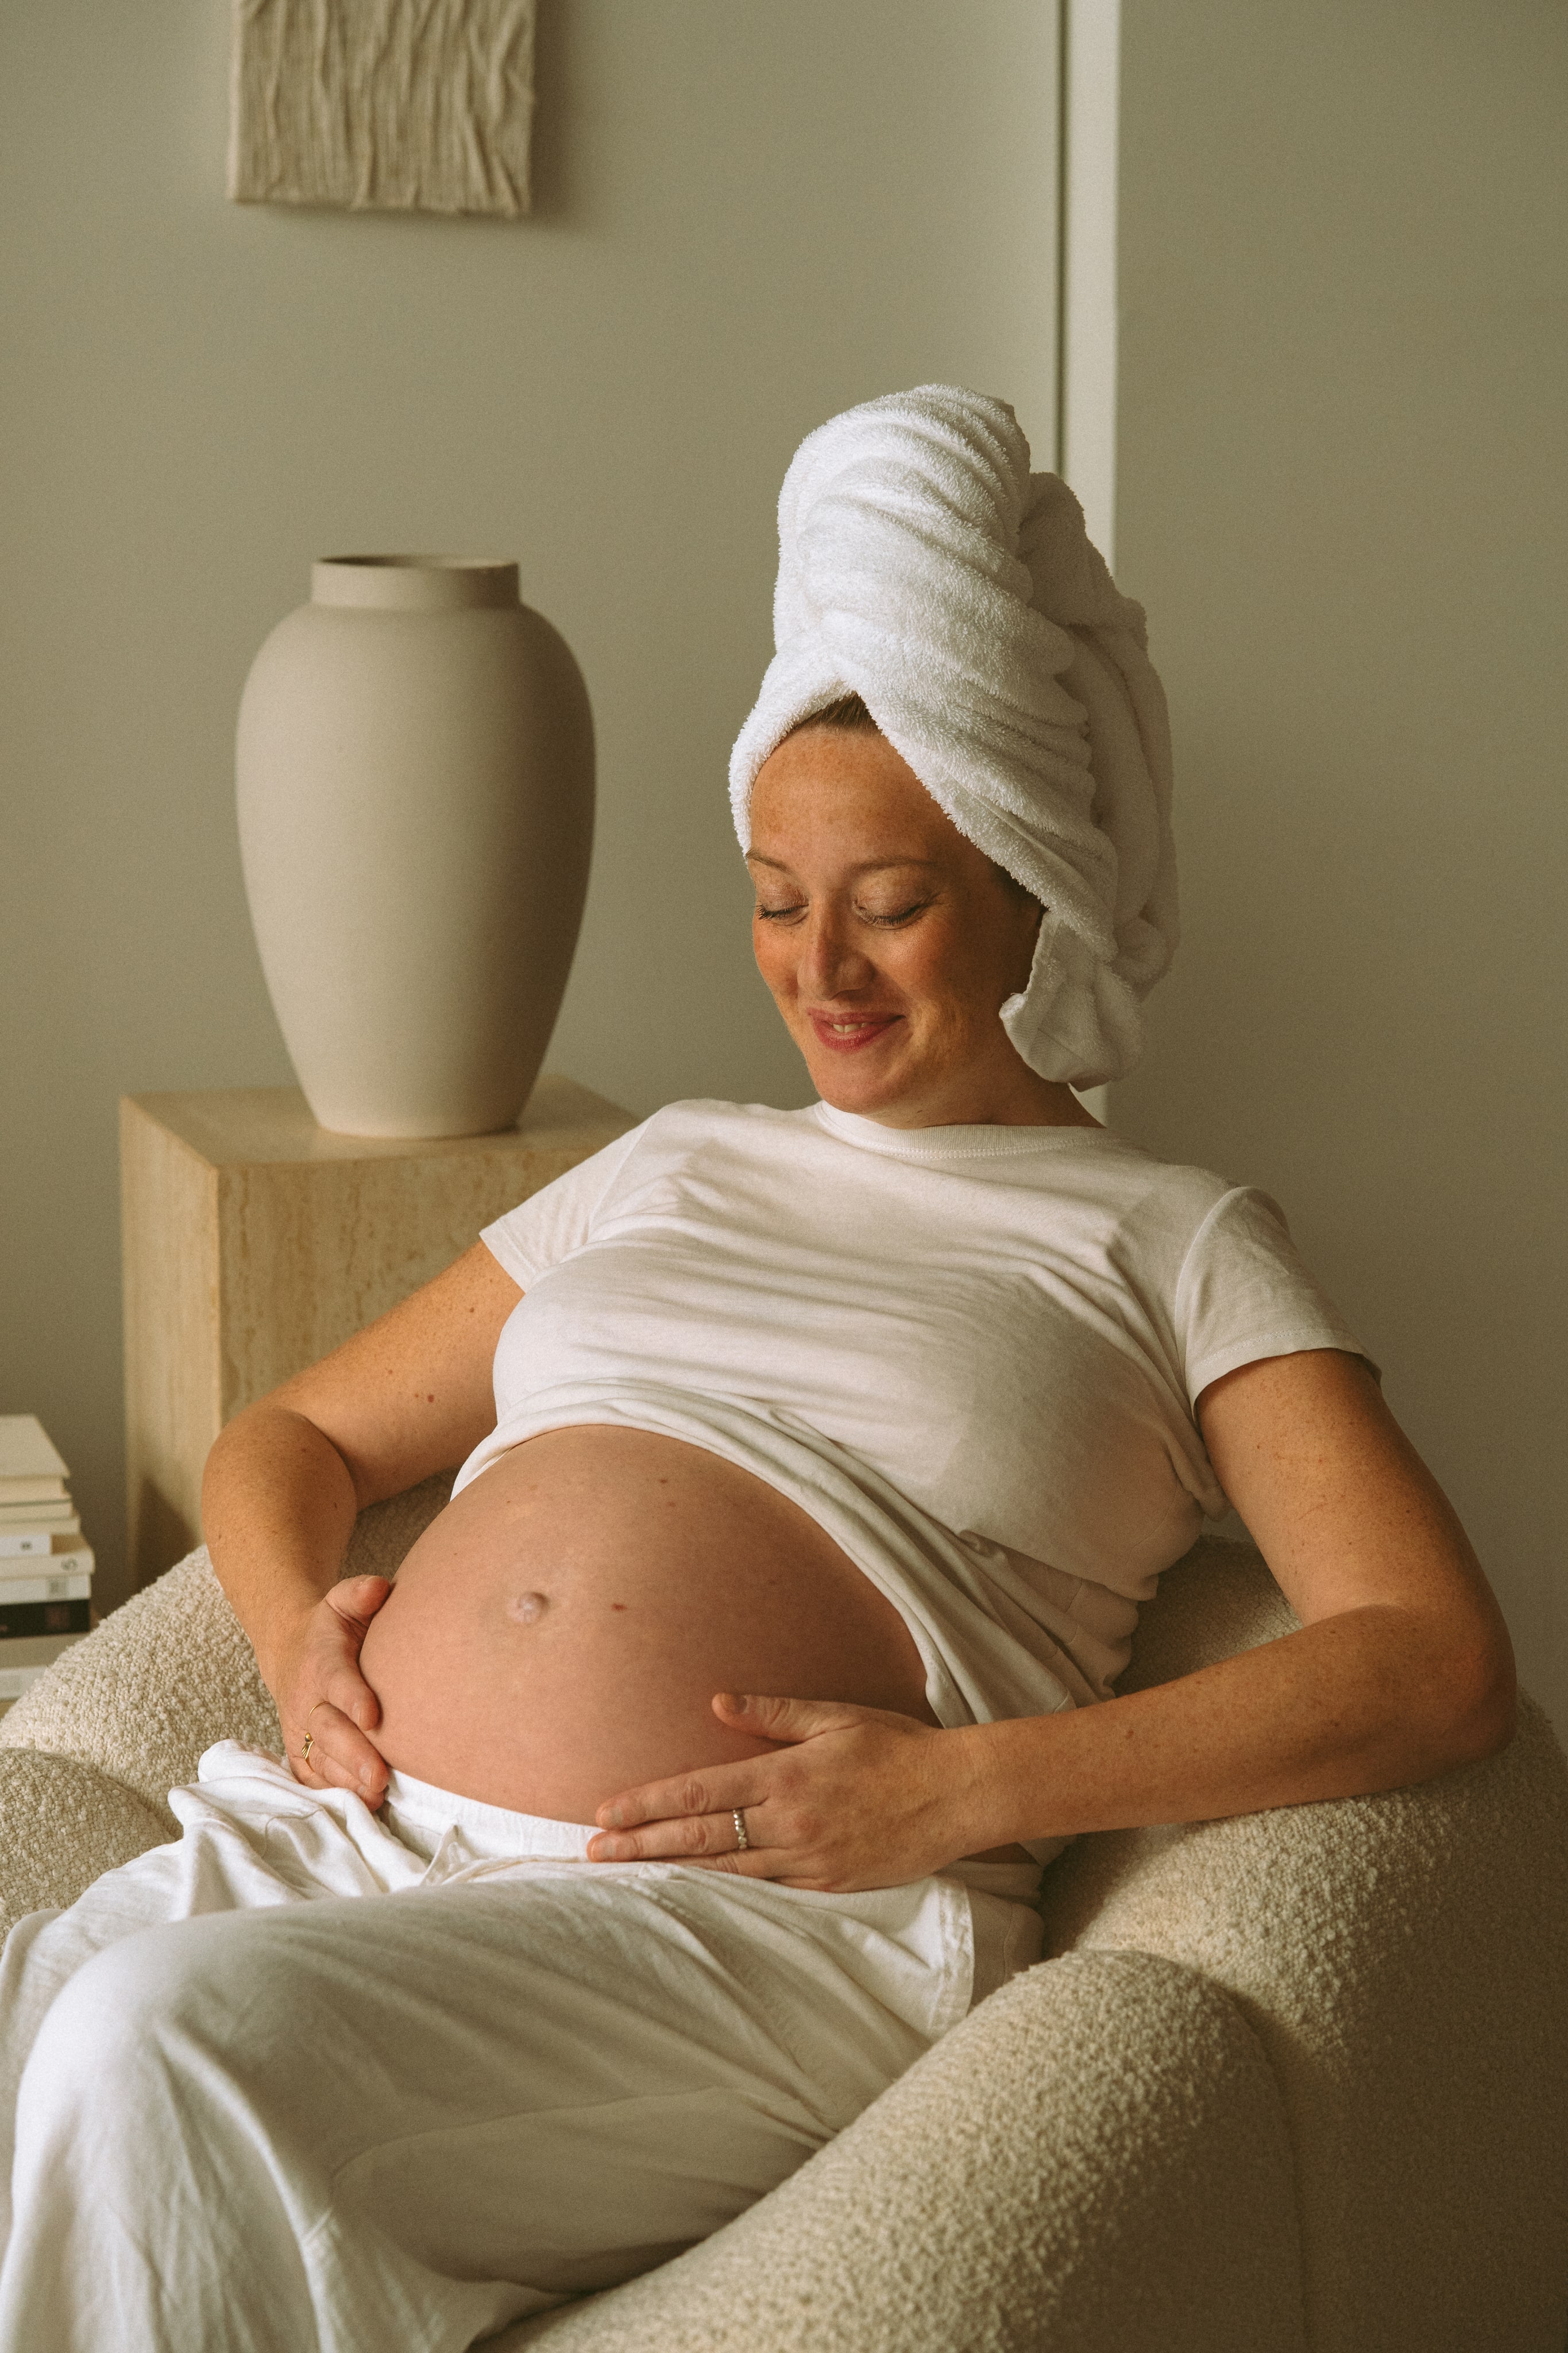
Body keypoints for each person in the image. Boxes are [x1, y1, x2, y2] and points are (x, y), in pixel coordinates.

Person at [0, 389, 1515, 2352]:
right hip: (348, 1840)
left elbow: (1430, 1657)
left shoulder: (1166, 1234)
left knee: (141, 2052)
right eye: (779, 902)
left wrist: (970, 1789)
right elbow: (288, 1436)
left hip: (752, 1923)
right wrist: (300, 1650)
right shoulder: (677, 1157)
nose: (824, 969)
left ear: (1024, 888)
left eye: (891, 905)